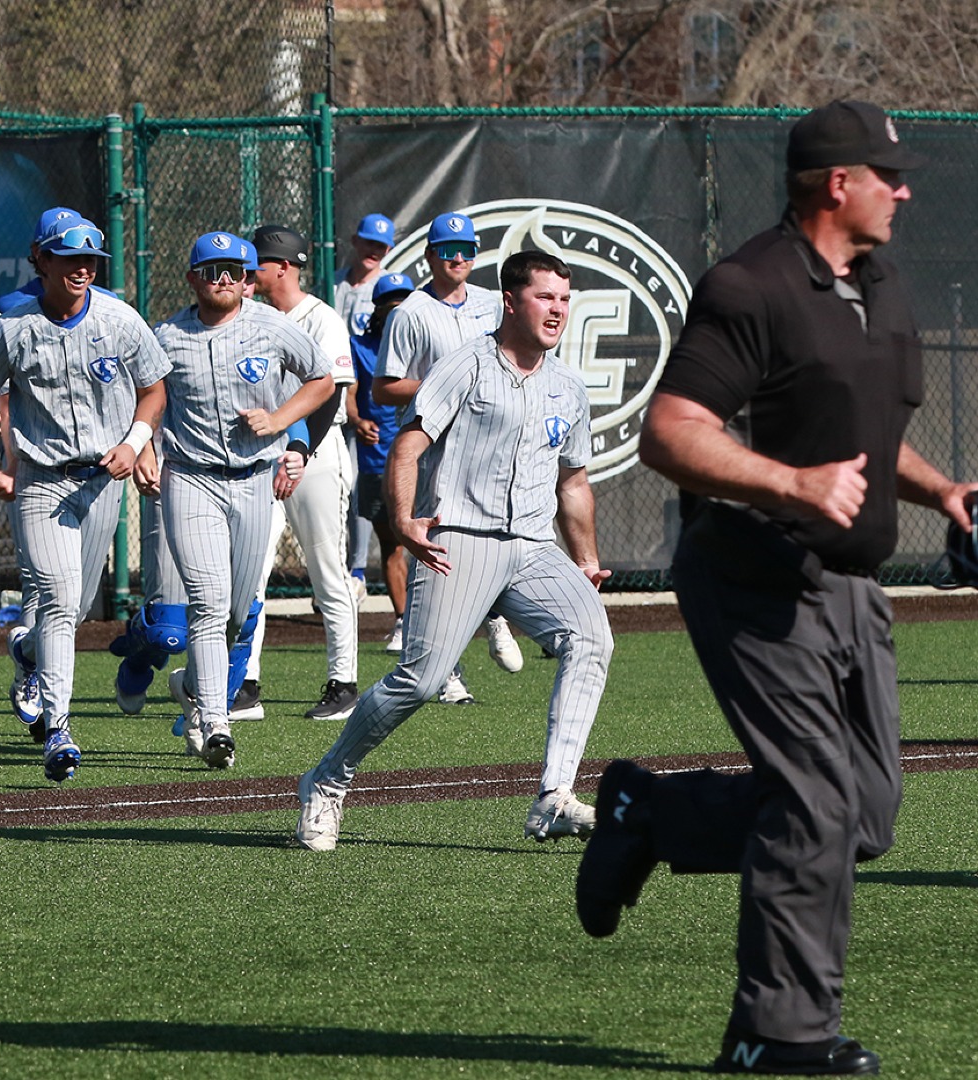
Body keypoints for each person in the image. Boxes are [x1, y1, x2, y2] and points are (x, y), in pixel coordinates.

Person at [582, 101, 974, 1076]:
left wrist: (941, 491)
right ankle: (775, 1033)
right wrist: (790, 483)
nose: (903, 188)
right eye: (886, 173)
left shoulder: (874, 285)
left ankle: (647, 815)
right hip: (749, 571)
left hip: (846, 584)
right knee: (811, 807)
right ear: (833, 183)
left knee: (866, 817)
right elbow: (668, 433)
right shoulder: (748, 285)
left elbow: (866, 438)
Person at [296, 250, 611, 849]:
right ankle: (327, 780)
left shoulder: (568, 386)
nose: (557, 310)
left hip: (534, 546)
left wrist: (588, 559)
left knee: (593, 637)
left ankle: (554, 798)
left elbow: (573, 483)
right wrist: (405, 519)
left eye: (565, 299)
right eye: (545, 297)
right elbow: (409, 448)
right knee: (419, 680)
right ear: (510, 301)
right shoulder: (465, 365)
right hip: (458, 541)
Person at [0, 218, 170, 783]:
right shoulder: (13, 325)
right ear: (41, 260)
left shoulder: (119, 319)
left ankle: (28, 654)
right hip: (42, 479)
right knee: (56, 599)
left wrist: (136, 443)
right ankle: (59, 728)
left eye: (91, 258)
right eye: (68, 256)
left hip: (102, 479)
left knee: (71, 612)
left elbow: (154, 389)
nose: (82, 267)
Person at [155, 232, 334, 768]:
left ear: (249, 278)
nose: (223, 279)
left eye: (233, 270)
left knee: (235, 610)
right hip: (190, 478)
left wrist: (279, 420)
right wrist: (141, 445)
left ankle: (191, 682)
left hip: (255, 478)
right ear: (192, 278)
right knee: (208, 604)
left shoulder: (271, 325)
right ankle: (216, 721)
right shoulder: (165, 335)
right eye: (211, 270)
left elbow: (323, 379)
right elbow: (144, 394)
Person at [373, 210, 523, 694]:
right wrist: (444, 386)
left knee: (499, 533)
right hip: (432, 444)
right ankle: (446, 669)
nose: (458, 258)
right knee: (437, 550)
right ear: (429, 255)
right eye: (447, 250)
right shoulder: (410, 312)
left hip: (488, 438)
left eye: (467, 251)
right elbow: (384, 387)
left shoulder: (493, 304)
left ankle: (496, 612)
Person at [249, 223, 360, 721]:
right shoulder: (250, 317)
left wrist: (301, 451)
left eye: (259, 264)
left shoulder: (322, 318)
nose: (250, 273)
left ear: (285, 267)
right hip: (263, 453)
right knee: (249, 571)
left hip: (317, 451)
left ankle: (343, 683)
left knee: (327, 571)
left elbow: (332, 390)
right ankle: (244, 682)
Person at [349, 273, 417, 667]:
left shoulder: (422, 343)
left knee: (430, 543)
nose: (396, 308)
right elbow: (351, 398)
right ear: (377, 309)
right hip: (377, 462)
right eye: (389, 302)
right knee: (392, 545)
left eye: (402, 301)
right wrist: (358, 422)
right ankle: (404, 620)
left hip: (421, 458)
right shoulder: (359, 347)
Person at [337, 213, 397, 599]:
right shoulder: (335, 283)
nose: (373, 250)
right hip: (331, 390)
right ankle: (345, 569)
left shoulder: (389, 291)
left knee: (361, 485)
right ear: (356, 241)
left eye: (381, 245)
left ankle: (356, 571)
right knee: (340, 485)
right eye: (368, 242)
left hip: (365, 396)